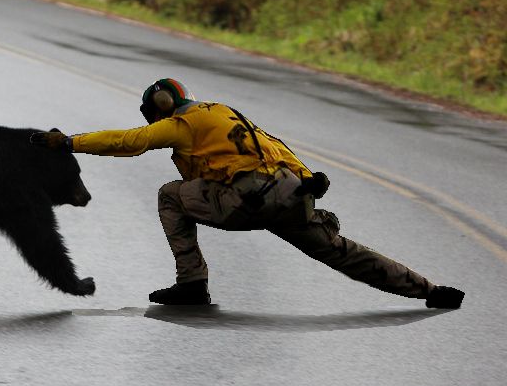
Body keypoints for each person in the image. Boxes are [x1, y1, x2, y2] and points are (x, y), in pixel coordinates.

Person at [30, 78, 465, 308]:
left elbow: (130, 141)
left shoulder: (184, 122)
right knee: (340, 251)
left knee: (169, 194)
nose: (152, 119)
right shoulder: (227, 115)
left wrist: (69, 141)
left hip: (245, 197)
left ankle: (192, 284)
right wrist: (311, 181)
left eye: (153, 112)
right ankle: (430, 290)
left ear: (162, 104)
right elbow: (281, 150)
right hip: (291, 192)